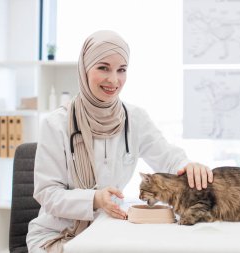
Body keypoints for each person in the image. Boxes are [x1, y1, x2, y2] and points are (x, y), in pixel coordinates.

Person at [26, 30, 213, 253]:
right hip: (58, 233)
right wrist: (94, 198)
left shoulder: (135, 118)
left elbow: (169, 158)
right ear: (84, 68)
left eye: (121, 70)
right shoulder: (56, 124)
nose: (114, 80)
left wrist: (188, 167)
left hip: (109, 229)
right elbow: (47, 194)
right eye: (103, 67)